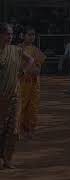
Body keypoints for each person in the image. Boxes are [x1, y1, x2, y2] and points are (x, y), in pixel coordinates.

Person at [0, 23, 34, 169]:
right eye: (7, 34)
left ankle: (7, 159)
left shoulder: (15, 50)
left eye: (11, 34)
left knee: (13, 130)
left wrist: (23, 71)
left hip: (14, 96)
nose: (10, 37)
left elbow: (31, 60)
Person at [18, 26, 46, 139]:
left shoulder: (36, 50)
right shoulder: (18, 49)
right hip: (21, 82)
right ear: (23, 35)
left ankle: (30, 129)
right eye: (29, 34)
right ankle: (18, 129)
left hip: (34, 83)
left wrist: (33, 70)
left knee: (33, 106)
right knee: (21, 105)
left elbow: (38, 69)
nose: (31, 37)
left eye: (33, 35)